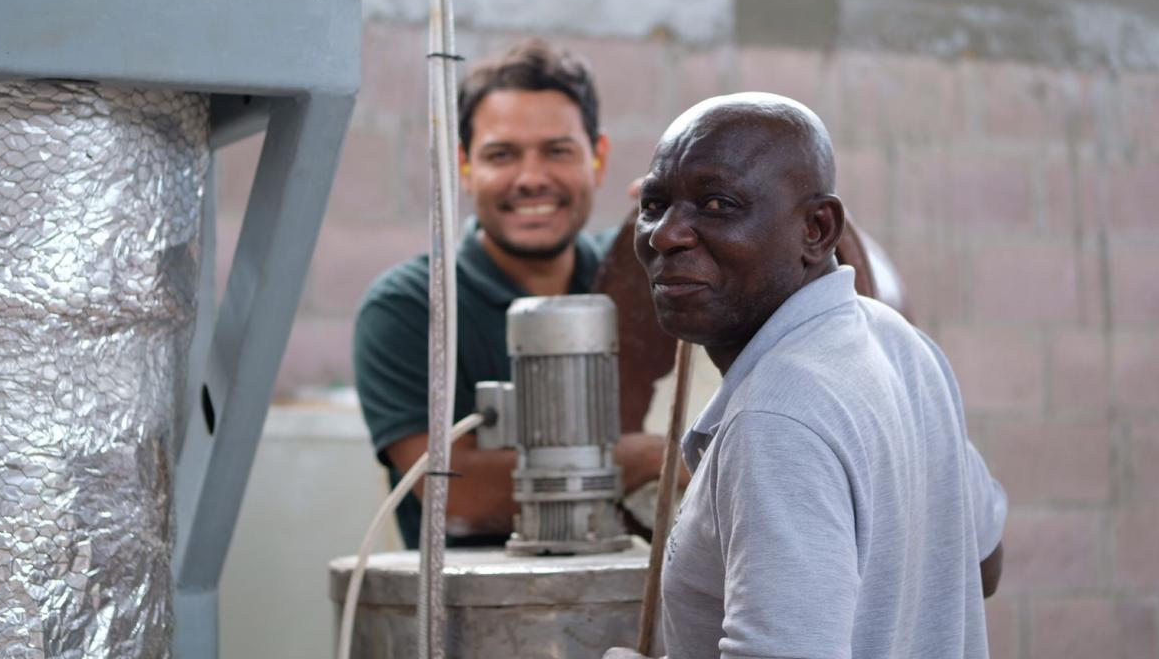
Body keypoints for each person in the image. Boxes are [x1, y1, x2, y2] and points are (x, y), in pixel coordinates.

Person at [605, 93, 1006, 658]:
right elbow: (982, 563)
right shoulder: (901, 345)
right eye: (655, 203)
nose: (665, 235)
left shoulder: (774, 417)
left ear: (817, 229)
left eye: (717, 204)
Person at [353, 39, 669, 548]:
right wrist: (642, 459)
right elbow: (457, 494)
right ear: (465, 165)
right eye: (502, 155)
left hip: (635, 605)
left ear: (599, 157)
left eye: (557, 151)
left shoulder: (640, 281)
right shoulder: (410, 308)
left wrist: (698, 223)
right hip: (475, 615)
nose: (531, 178)